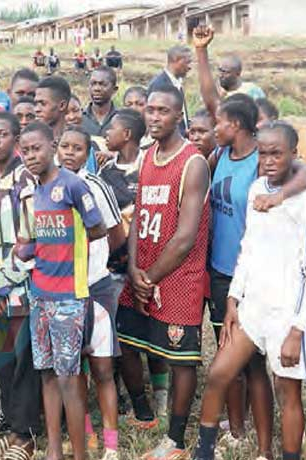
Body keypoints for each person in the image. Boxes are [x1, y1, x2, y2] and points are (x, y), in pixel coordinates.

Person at [193, 121, 306, 460]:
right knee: (219, 373)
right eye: (264, 154)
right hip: (253, 307)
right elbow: (248, 249)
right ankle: (203, 452)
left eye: (277, 154)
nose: (269, 161)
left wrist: (298, 330)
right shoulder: (255, 191)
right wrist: (233, 299)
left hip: (288, 314)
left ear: (294, 155)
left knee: (288, 393)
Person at [116, 86, 210, 460]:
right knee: (124, 340)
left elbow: (186, 235)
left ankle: (175, 440)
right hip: (144, 270)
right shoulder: (148, 155)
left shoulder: (193, 162)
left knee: (181, 358)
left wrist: (150, 277)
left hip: (178, 276)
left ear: (179, 116)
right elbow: (139, 215)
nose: (154, 117)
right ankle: (144, 411)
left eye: (163, 111)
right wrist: (135, 268)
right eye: (150, 110)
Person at [18, 121, 107, 460]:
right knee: (47, 373)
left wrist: (71, 252)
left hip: (69, 295)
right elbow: (32, 238)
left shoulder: (72, 185)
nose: (30, 156)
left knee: (70, 378)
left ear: (52, 145)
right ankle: (54, 450)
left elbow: (97, 228)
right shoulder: (31, 190)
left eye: (36, 149)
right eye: (24, 151)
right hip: (39, 293)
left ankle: (80, 454)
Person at [56, 126, 126, 459]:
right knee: (75, 369)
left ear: (88, 155)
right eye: (64, 147)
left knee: (102, 369)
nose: (69, 153)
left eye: (78, 149)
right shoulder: (50, 187)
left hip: (96, 287)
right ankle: (86, 435)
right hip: (64, 291)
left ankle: (111, 444)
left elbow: (115, 234)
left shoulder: (95, 186)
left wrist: (96, 266)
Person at [0, 112, 42, 459]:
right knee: (1, 359)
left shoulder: (25, 181)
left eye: (3, 134)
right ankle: (15, 424)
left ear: (16, 140)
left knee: (22, 361)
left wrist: (1, 283)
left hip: (23, 287)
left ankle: (26, 435)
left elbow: (31, 243)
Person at [147, 45, 192, 130]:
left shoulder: (176, 83)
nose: (189, 67)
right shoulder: (159, 85)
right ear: (175, 60)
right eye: (187, 62)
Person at [81, 67, 119, 136]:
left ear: (114, 89)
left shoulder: (121, 118)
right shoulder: (79, 118)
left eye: (103, 84)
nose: (96, 89)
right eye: (93, 84)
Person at [34, 76, 72, 141]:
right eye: (36, 104)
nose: (36, 109)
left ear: (62, 105)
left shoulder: (78, 141)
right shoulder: (31, 141)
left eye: (43, 103)